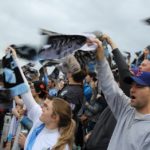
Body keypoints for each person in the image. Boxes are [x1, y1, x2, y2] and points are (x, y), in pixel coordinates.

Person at [4, 46, 76, 150]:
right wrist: (14, 61)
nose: (42, 107)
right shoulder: (40, 119)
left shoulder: (59, 145)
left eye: (46, 107)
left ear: (55, 117)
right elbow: (25, 91)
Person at [89, 38, 150, 150]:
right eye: (132, 84)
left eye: (139, 86)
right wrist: (100, 56)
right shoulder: (126, 108)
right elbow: (109, 86)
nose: (132, 89)